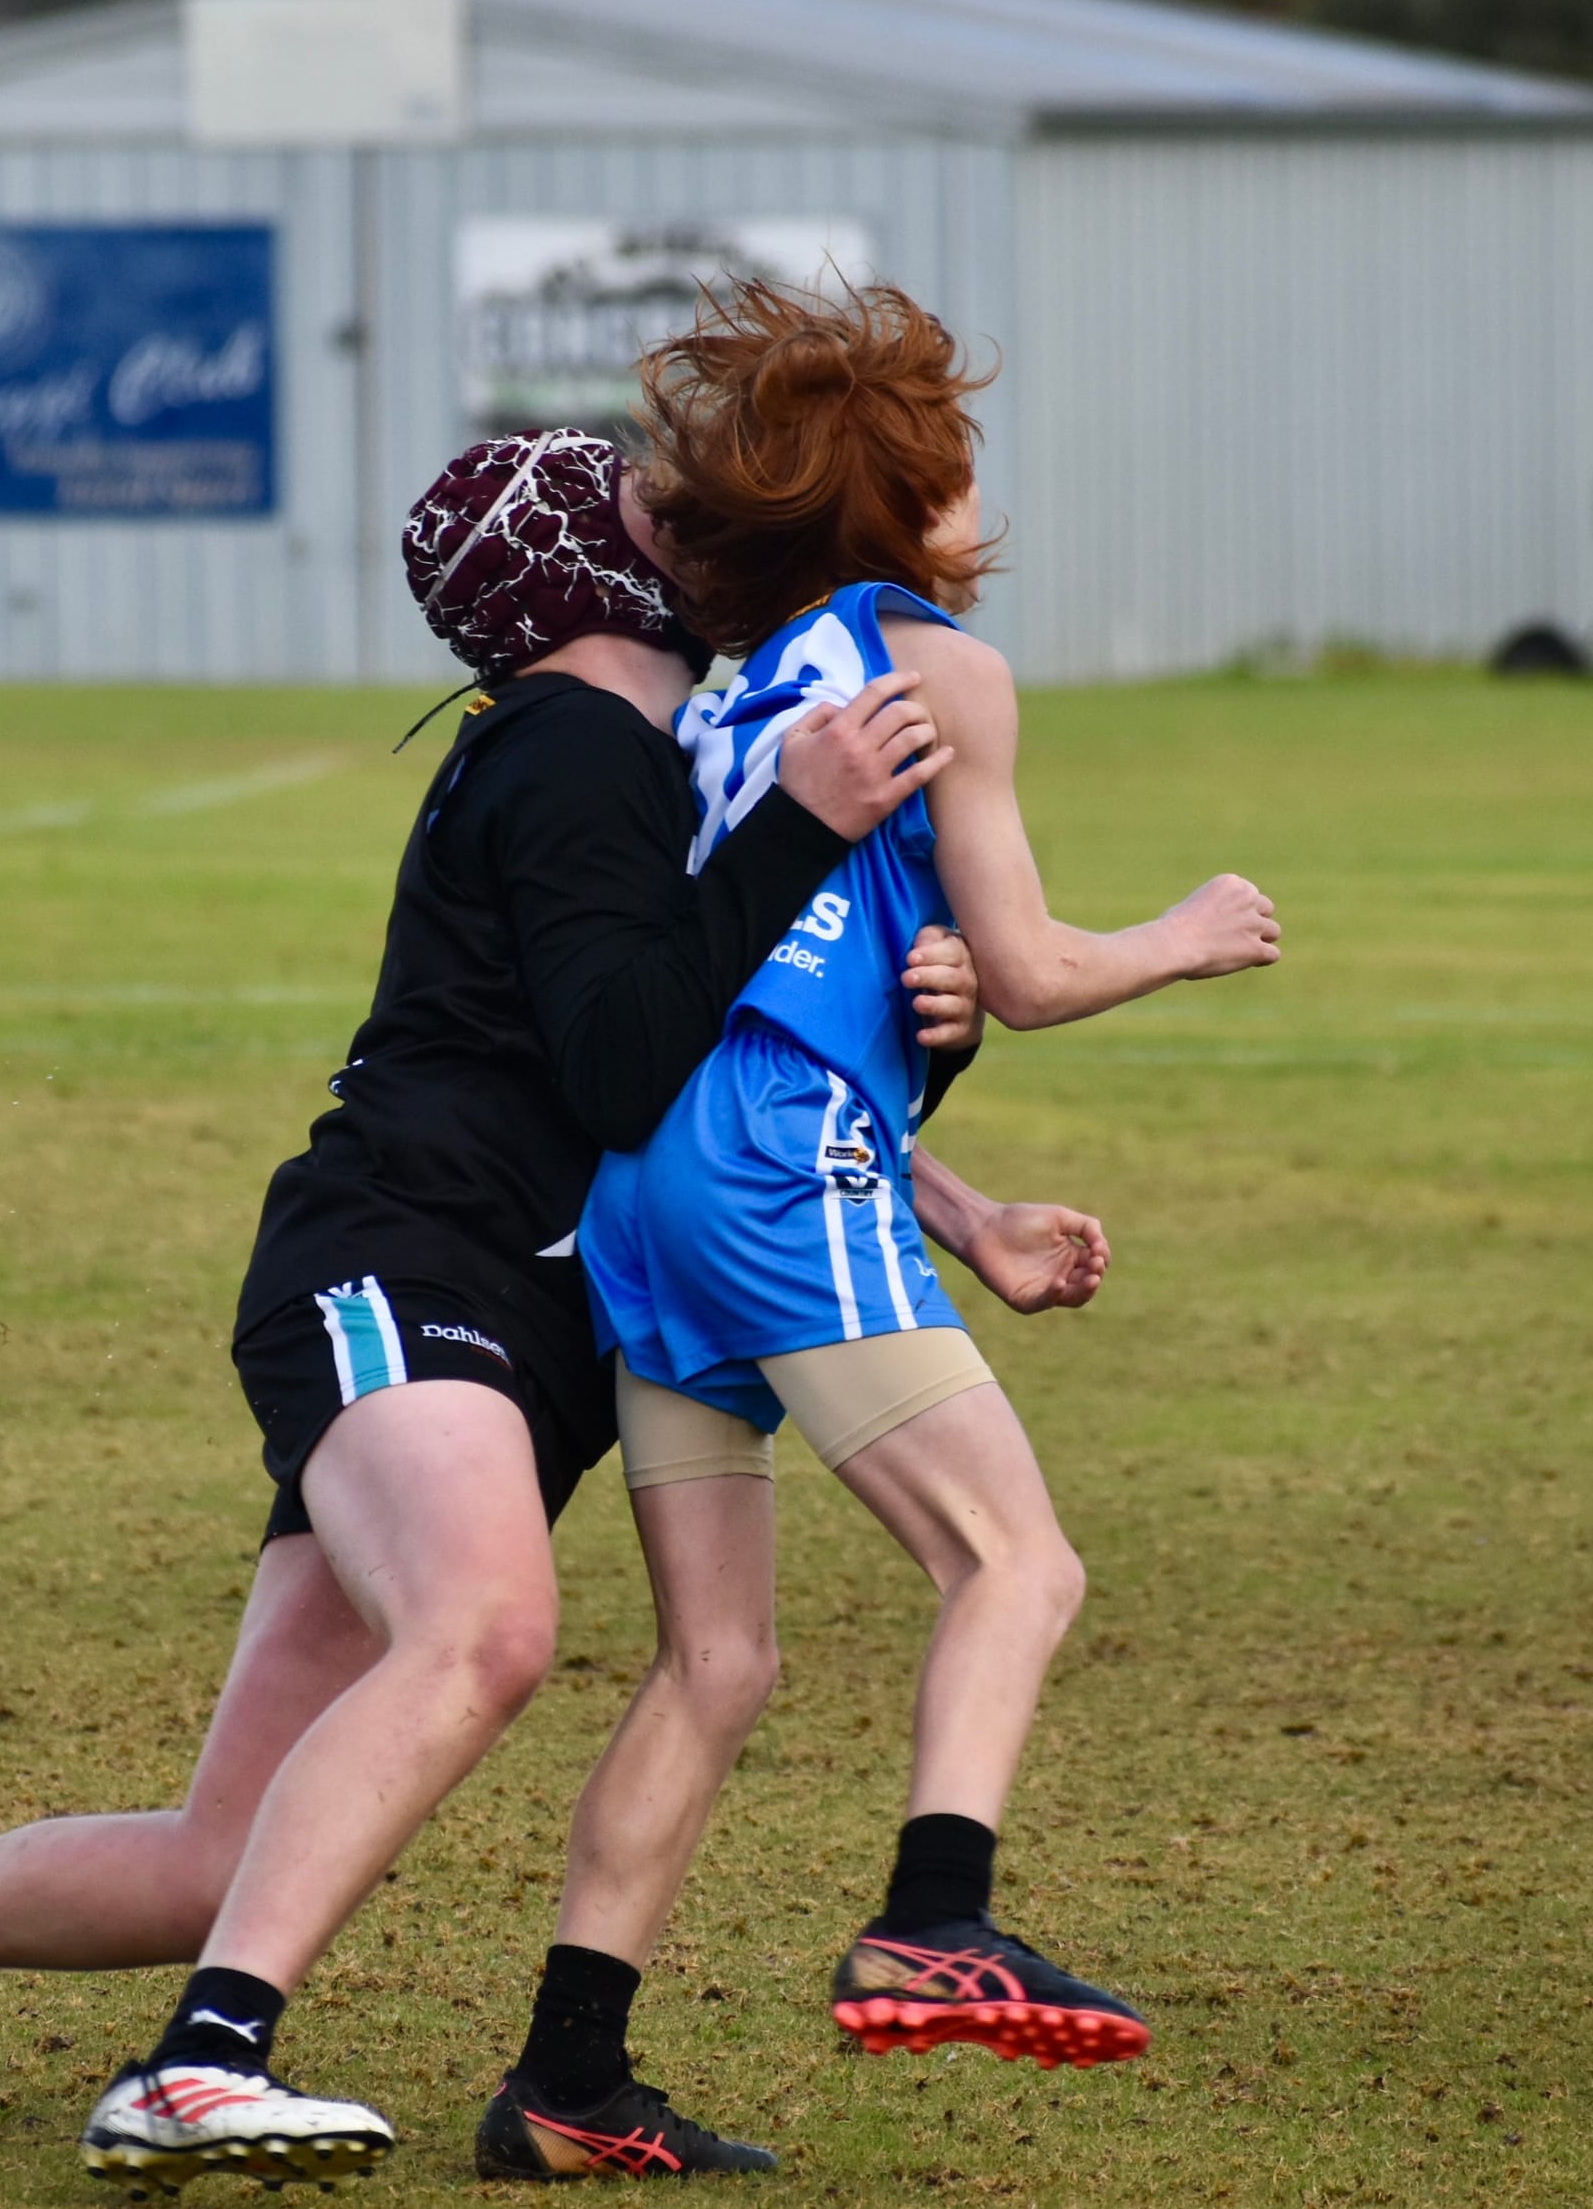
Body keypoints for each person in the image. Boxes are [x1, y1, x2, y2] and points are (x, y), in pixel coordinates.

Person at [0, 427, 996, 2187]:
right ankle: (203, 2061)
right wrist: (808, 822)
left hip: (501, 1315)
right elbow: (630, 1060)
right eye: (655, 502)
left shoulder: (638, 756)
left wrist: (931, 1097)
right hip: (410, 1265)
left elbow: (711, 1072)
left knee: (221, 1853)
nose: (702, 519)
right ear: (585, 558)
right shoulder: (576, 745)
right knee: (486, 1632)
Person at [474, 282, 1282, 2171]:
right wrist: (1190, 929)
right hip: (769, 1164)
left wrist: (967, 1207)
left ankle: (563, 2082)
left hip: (653, 1183)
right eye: (953, 471)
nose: (971, 508)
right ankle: (934, 1923)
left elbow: (779, 988)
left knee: (717, 1663)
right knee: (1021, 1564)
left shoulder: (730, 696)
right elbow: (1031, 969)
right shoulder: (941, 672)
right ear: (902, 494)